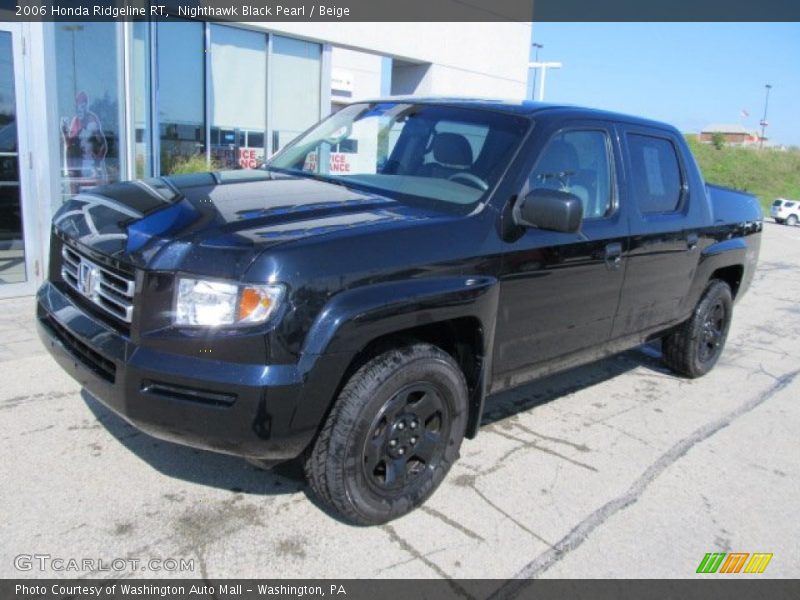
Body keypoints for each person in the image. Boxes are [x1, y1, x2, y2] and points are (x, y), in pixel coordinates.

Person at [61, 91, 108, 194]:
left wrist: (97, 160)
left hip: (92, 168)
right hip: (80, 168)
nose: (80, 108)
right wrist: (64, 132)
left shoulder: (92, 120)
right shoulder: (75, 121)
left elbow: (103, 144)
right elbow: (70, 145)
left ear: (86, 104)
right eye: (78, 105)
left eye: (83, 105)